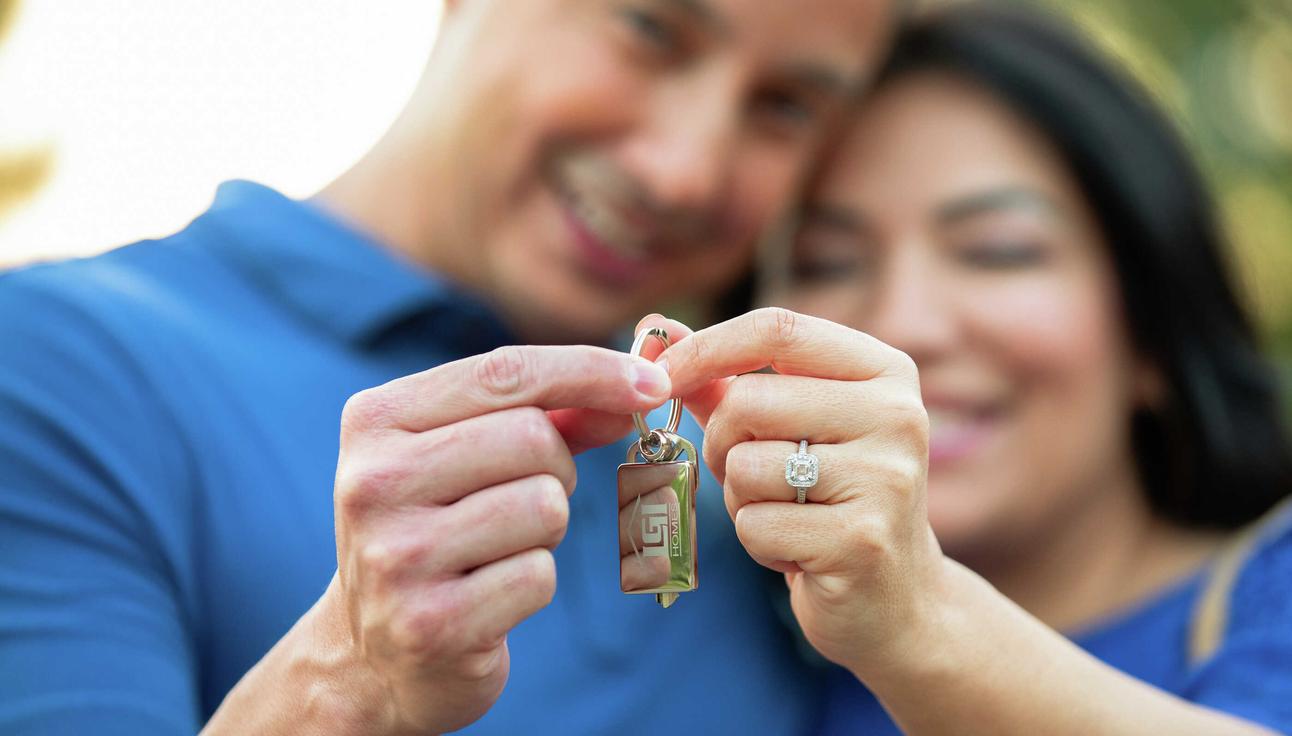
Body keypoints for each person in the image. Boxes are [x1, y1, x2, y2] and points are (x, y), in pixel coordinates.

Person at [0, 1, 899, 733]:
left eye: (786, 107)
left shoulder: (767, 489)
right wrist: (343, 686)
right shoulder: (49, 362)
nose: (684, 175)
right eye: (651, 29)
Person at [639, 3, 1292, 733]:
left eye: (997, 249)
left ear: (1153, 331)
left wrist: (917, 619)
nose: (902, 323)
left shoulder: (1273, 591)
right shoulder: (724, 641)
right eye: (826, 261)